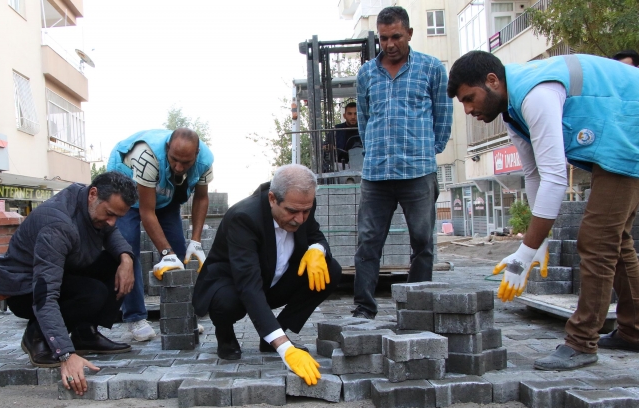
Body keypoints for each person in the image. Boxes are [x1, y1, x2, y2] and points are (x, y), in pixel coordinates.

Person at [447, 50, 639, 370]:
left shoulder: (535, 95)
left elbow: (555, 178)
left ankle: (581, 343)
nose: (468, 110)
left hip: (628, 130)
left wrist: (525, 253)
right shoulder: (512, 112)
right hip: (619, 131)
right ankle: (634, 331)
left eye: (470, 98)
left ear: (492, 81)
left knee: (597, 239)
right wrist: (541, 246)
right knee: (616, 241)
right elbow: (535, 176)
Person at [0, 172, 138, 395]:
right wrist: (65, 353)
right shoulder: (57, 226)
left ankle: (84, 334)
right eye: (109, 214)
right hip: (25, 289)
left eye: (117, 216)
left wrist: (126, 258)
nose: (111, 222)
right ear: (93, 194)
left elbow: (111, 232)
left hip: (60, 271)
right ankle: (36, 336)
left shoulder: (87, 200)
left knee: (116, 261)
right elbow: (44, 294)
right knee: (93, 293)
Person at [193, 164, 341, 386]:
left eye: (306, 212)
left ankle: (272, 334)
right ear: (272, 198)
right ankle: (225, 336)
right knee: (226, 302)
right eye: (292, 211)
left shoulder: (301, 203)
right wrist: (285, 349)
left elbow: (315, 234)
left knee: (331, 270)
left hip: (274, 278)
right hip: (233, 283)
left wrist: (317, 250)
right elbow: (248, 286)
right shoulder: (244, 217)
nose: (300, 219)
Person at [352, 6, 453, 320]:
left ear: (409, 33)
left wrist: (427, 151)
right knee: (368, 242)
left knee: (422, 241)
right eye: (383, 38)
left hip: (417, 172)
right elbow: (364, 120)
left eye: (396, 36)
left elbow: (443, 116)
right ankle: (364, 308)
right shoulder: (367, 72)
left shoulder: (432, 68)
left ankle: (419, 306)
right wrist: (373, 151)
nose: (390, 44)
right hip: (377, 175)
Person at [107, 128, 213, 341]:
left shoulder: (205, 162)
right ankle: (135, 317)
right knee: (128, 251)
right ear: (167, 149)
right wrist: (165, 252)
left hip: (164, 194)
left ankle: (183, 315)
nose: (179, 167)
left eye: (186, 162)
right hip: (126, 190)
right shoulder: (147, 156)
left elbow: (201, 198)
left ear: (197, 154)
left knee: (180, 255)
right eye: (174, 160)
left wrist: (196, 241)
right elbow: (147, 211)